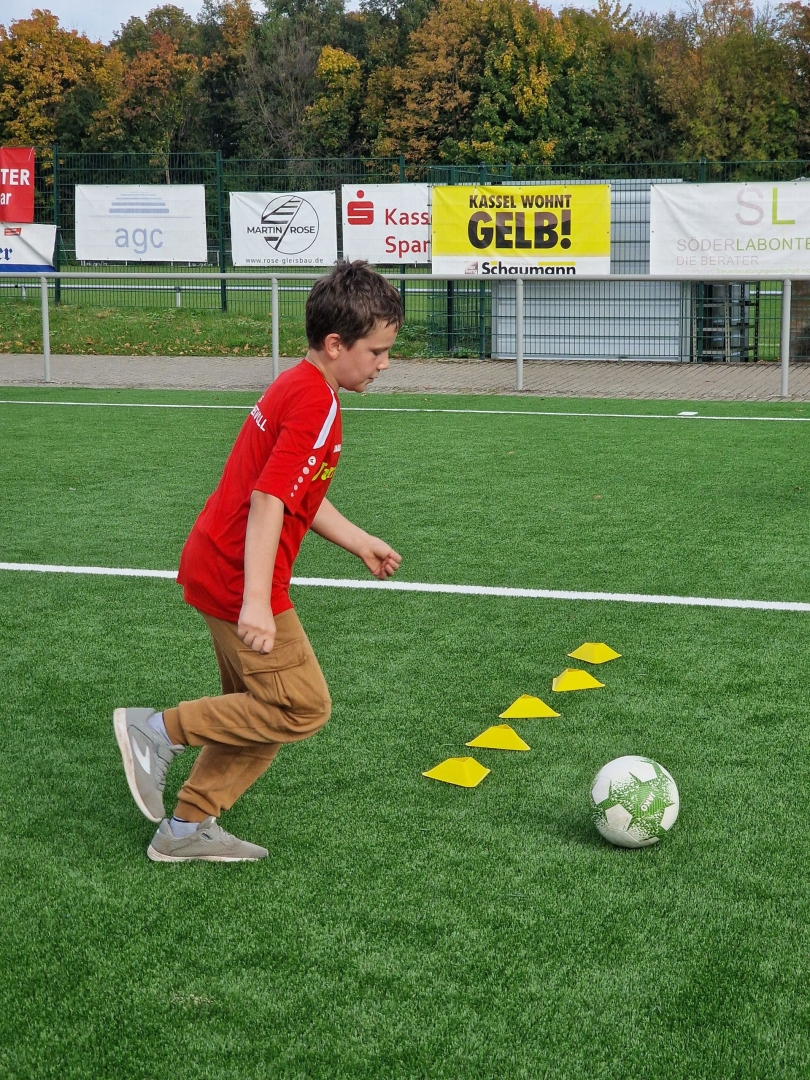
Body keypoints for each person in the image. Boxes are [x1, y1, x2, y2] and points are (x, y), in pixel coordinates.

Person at [114, 261, 404, 862]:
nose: (384, 364)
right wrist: (256, 602)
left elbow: (297, 491)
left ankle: (186, 828)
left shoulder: (296, 383)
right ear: (335, 344)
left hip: (215, 562)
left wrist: (359, 540)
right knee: (301, 706)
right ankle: (155, 731)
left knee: (259, 713)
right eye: (377, 351)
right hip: (238, 577)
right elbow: (270, 499)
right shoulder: (317, 403)